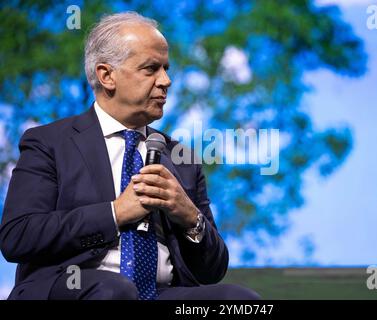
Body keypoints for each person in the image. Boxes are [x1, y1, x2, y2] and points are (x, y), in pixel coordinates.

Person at [0, 11, 260, 300]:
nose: (166, 81)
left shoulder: (182, 159)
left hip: (160, 294)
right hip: (73, 289)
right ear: (107, 75)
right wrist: (115, 213)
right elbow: (18, 236)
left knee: (239, 301)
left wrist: (189, 216)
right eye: (151, 69)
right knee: (114, 291)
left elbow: (212, 270)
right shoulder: (49, 143)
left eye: (166, 68)